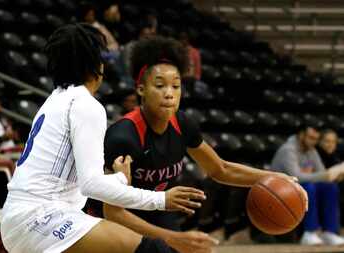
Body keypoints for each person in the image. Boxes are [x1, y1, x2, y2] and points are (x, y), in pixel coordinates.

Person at [0, 23, 213, 253]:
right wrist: (161, 200)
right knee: (152, 251)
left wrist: (119, 179)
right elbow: (91, 185)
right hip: (42, 218)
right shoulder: (85, 104)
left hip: (23, 218)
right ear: (96, 66)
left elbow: (83, 180)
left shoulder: (54, 101)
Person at [102, 36, 305, 253]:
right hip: (116, 218)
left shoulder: (182, 123)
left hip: (159, 211)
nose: (169, 93)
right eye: (160, 85)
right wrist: (174, 239)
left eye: (176, 86)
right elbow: (113, 213)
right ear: (141, 89)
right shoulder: (123, 136)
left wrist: (274, 178)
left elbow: (220, 169)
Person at [271, 125, 344, 245]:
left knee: (330, 187)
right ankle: (310, 232)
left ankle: (329, 233)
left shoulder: (312, 150)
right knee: (308, 187)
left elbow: (321, 173)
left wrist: (332, 175)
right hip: (278, 190)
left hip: (298, 188)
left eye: (316, 139)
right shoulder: (288, 150)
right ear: (301, 135)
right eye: (310, 138)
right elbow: (296, 177)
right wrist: (327, 175)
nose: (313, 141)